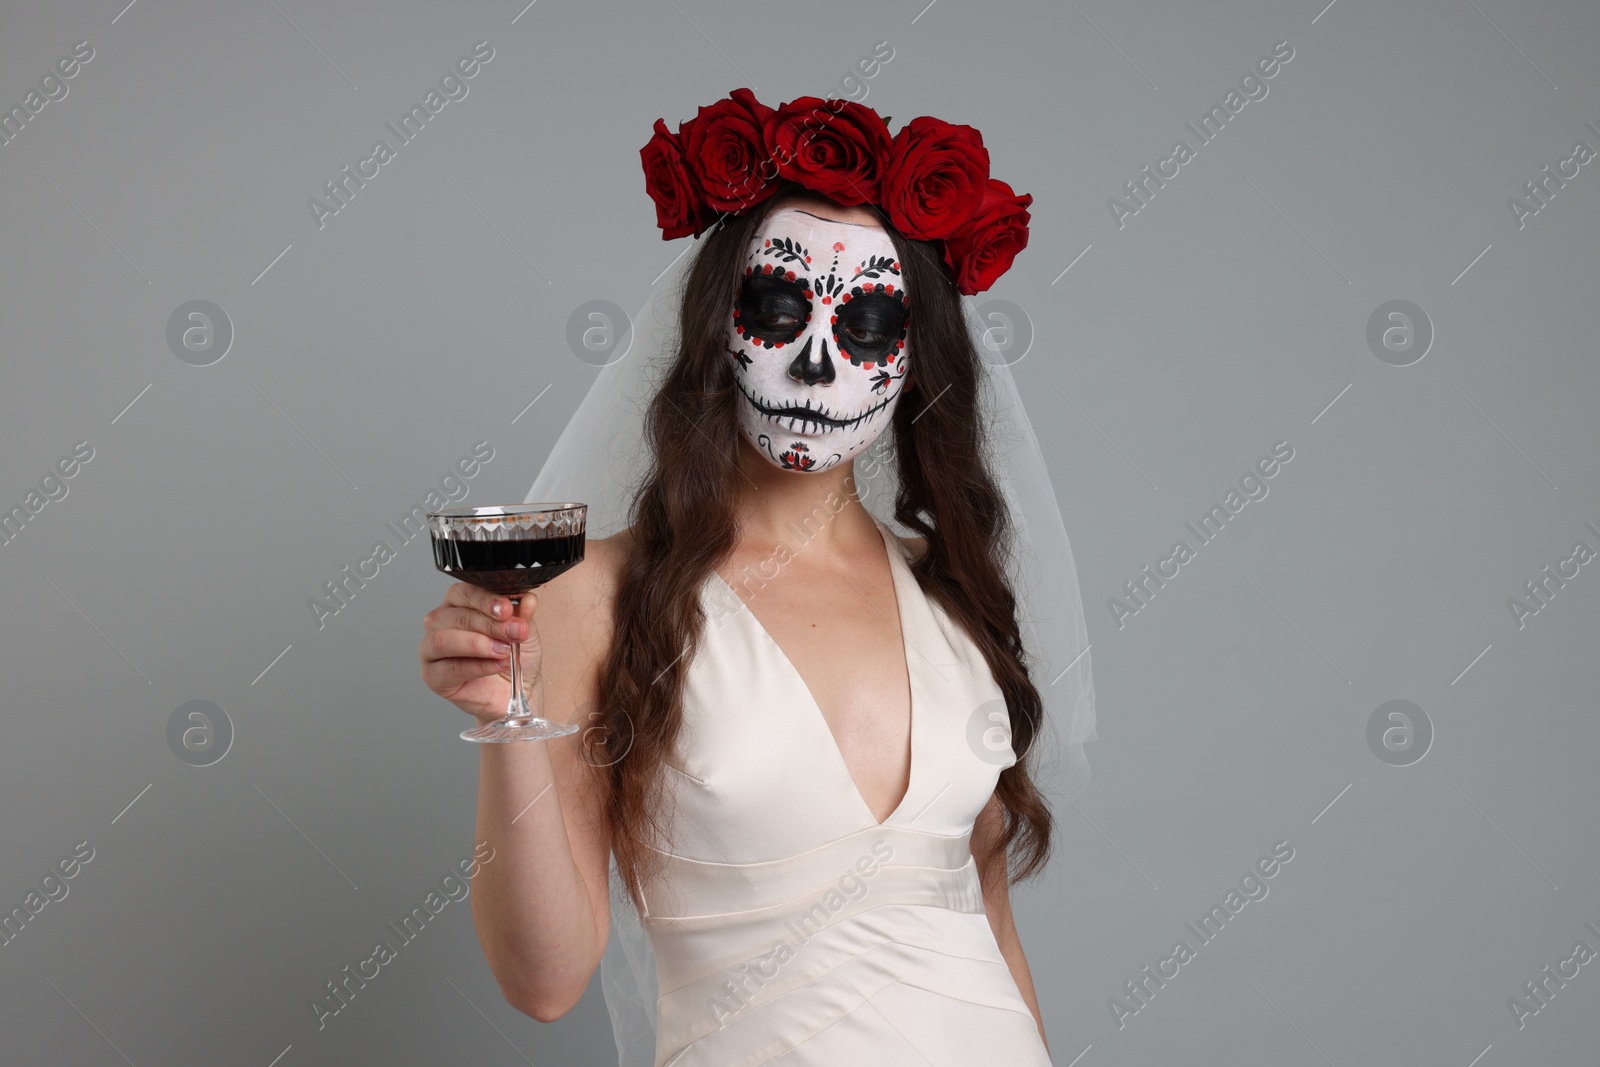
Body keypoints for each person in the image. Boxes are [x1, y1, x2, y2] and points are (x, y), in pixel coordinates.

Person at [419, 92, 1094, 1067]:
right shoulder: (591, 595)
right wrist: (504, 720)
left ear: (912, 361)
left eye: (865, 323)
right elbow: (545, 978)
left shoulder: (949, 592)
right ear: (714, 326)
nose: (817, 367)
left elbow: (987, 929)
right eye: (779, 309)